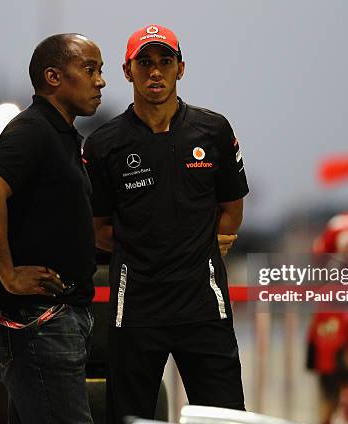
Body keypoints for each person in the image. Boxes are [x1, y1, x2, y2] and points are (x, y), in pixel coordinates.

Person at [83, 24, 248, 424]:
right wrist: (145, 249)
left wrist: (208, 245)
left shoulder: (214, 130)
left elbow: (231, 209)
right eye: (145, 63)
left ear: (181, 68)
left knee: (225, 419)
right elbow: (97, 227)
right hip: (136, 311)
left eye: (165, 62)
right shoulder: (103, 144)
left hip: (204, 308)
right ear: (127, 71)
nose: (155, 72)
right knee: (132, 418)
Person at [0, 33, 105, 424]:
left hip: (56, 316)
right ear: (53, 77)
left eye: (101, 71)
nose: (101, 81)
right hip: (38, 319)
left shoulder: (62, 136)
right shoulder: (33, 129)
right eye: (89, 69)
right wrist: (8, 274)